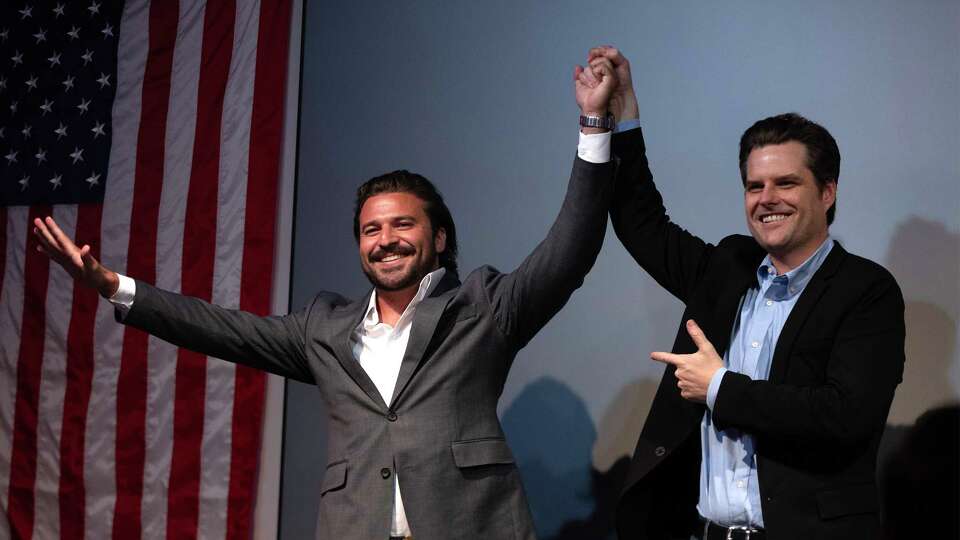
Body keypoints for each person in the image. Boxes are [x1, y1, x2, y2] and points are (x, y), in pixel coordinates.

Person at [33, 58, 621, 539]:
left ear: (439, 238)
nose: (386, 240)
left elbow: (568, 251)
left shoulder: (483, 307)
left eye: (402, 226)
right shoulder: (323, 329)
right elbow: (218, 328)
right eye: (371, 230)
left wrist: (594, 127)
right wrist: (113, 286)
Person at [583, 47, 905, 540]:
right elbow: (641, 222)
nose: (766, 199)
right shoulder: (728, 267)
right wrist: (620, 117)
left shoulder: (867, 291)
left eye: (786, 183)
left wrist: (718, 387)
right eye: (754, 186)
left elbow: (844, 416)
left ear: (827, 191)